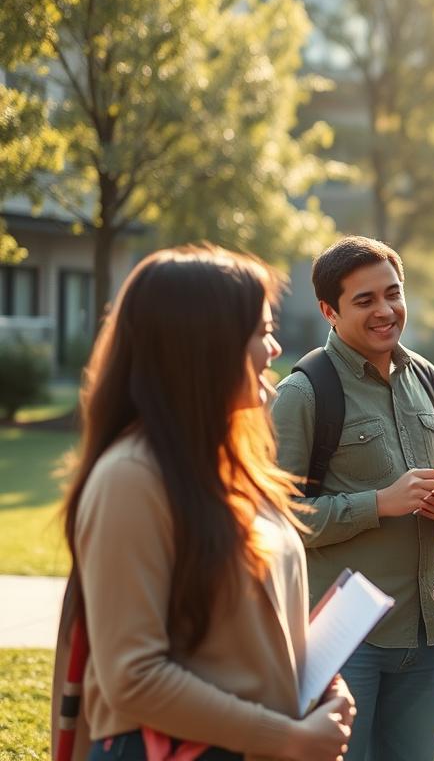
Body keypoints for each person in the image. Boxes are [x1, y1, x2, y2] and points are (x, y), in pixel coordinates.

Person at [61, 245, 353, 760]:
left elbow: (256, 624)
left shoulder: (235, 467)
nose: (276, 348)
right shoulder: (131, 478)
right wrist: (286, 737)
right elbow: (133, 676)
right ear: (208, 344)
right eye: (262, 331)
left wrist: (321, 686)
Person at [271, 236, 434, 761]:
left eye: (393, 293)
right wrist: (378, 503)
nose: (386, 311)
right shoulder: (304, 392)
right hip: (344, 640)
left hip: (428, 633)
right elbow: (277, 521)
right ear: (328, 311)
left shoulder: (427, 378)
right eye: (365, 300)